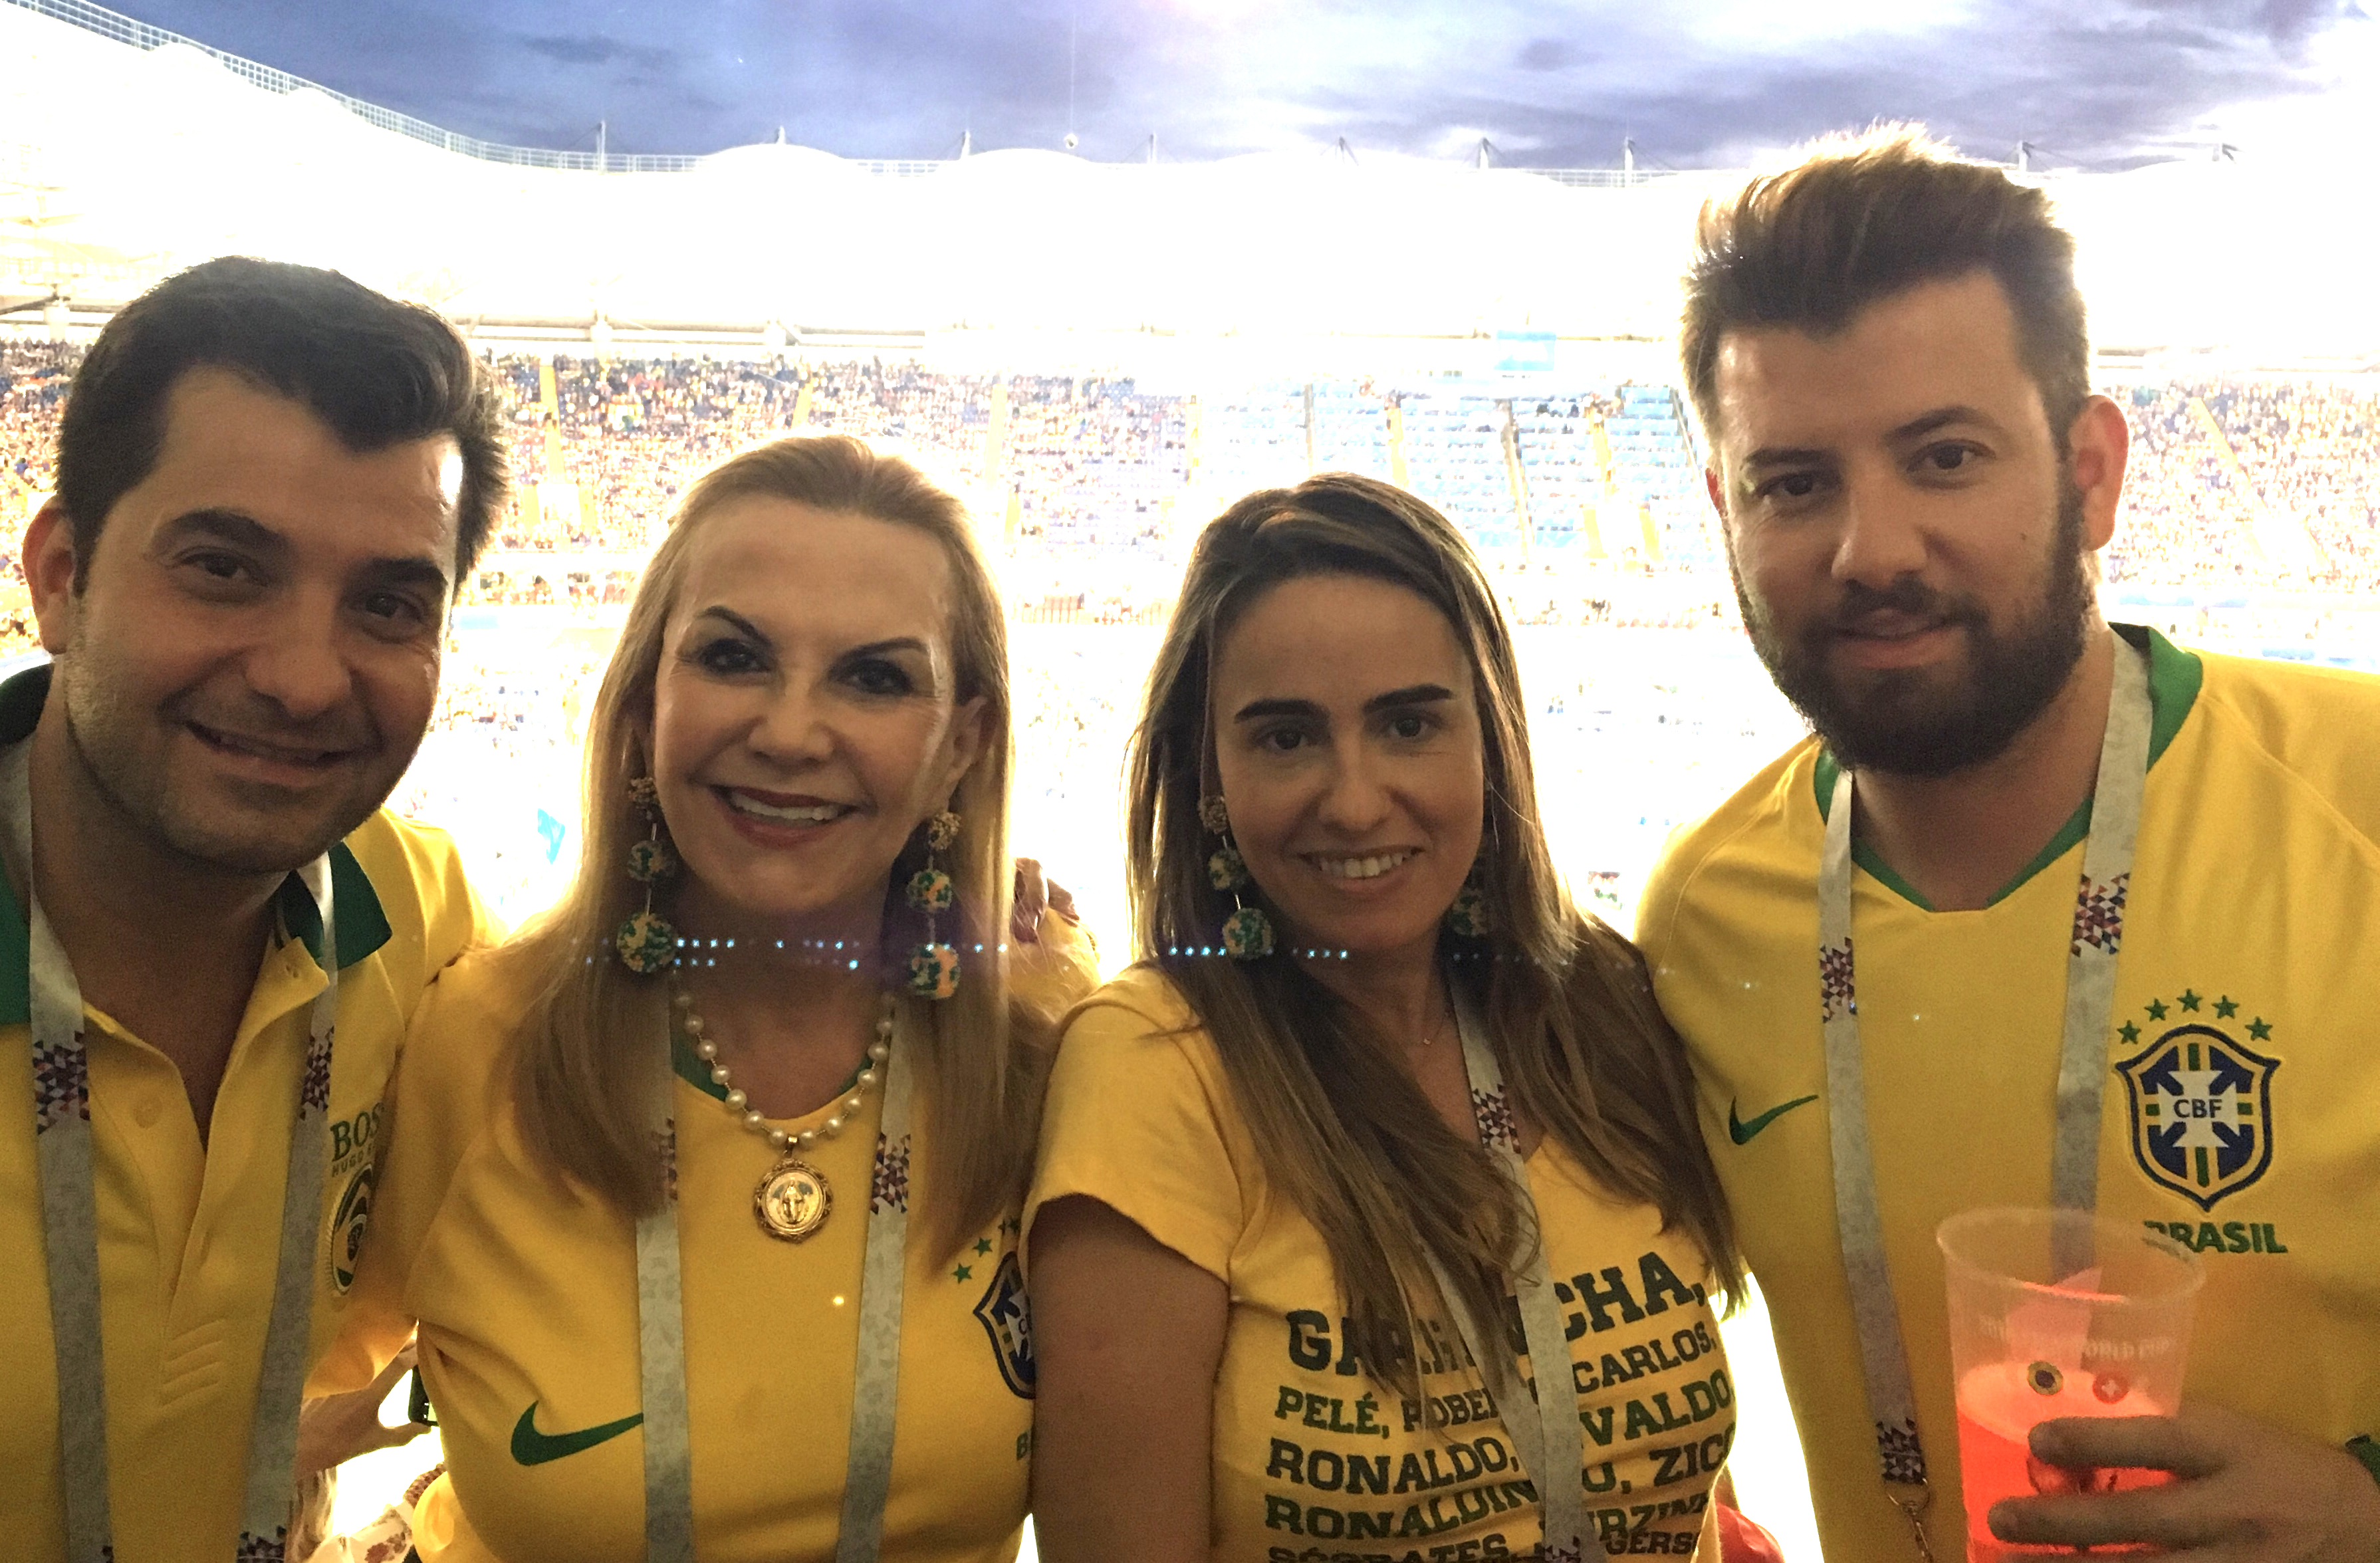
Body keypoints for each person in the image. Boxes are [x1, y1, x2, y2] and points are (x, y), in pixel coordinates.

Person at [1637, 126, 2380, 1559]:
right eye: (1793, 482)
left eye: (1944, 456)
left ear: (2088, 472)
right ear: (1726, 514)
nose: (1873, 549)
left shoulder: (2357, 797)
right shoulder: (1702, 917)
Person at [341, 433, 1097, 1561]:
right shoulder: (480, 1040)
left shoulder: (1054, 1067)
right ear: (648, 701)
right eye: (735, 658)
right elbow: (276, 1396)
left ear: (961, 747)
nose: (790, 733)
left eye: (876, 677)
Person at [1028, 474, 1747, 1562]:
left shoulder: (1599, 1004)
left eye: (1409, 724)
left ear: (1492, 742)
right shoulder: (1160, 1067)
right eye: (1285, 738)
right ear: (1210, 778)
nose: (1356, 799)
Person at [0, 256, 506, 1561]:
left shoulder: (419, 910)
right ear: (61, 576)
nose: (299, 678)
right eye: (225, 569)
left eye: (389, 602)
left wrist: (947, 921)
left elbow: (661, 1011)